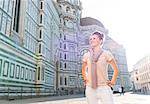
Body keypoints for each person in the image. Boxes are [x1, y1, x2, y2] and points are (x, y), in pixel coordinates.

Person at [82, 32, 119, 104]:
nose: (91, 40)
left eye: (94, 38)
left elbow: (115, 69)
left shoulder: (106, 54)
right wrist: (86, 79)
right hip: (90, 88)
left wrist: (112, 82)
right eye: (90, 39)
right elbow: (83, 69)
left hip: (104, 88)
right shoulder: (86, 55)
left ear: (100, 41)